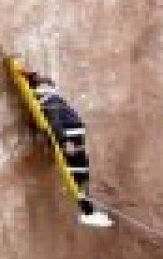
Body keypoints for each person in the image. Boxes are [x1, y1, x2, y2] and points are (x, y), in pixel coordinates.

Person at [24, 70, 113, 228]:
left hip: (73, 138)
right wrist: (64, 143)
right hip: (72, 138)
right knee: (80, 172)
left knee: (81, 171)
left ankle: (88, 210)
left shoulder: (50, 100)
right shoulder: (51, 101)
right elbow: (55, 124)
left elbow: (54, 123)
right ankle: (87, 211)